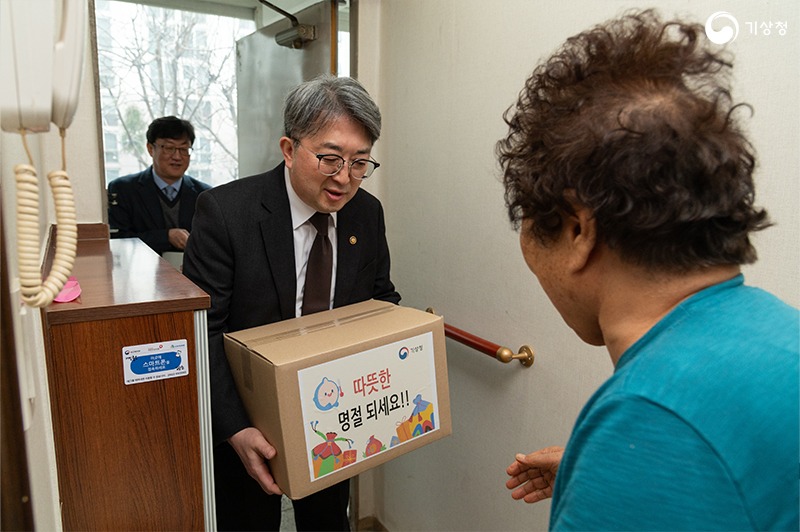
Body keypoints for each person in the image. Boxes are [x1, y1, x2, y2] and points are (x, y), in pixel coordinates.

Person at [498, 9, 799, 531]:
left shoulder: (652, 419)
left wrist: (625, 466)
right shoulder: (781, 334)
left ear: (577, 230)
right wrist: (592, 472)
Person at [183, 74, 401, 531]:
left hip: (332, 417)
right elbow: (203, 329)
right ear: (288, 148)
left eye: (360, 163)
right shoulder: (225, 213)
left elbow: (380, 299)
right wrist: (236, 428)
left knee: (327, 521)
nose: (345, 178)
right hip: (250, 422)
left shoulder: (366, 213)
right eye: (330, 158)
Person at [108, 116, 211, 255]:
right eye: (169, 148)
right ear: (150, 149)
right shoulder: (123, 190)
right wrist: (166, 237)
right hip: (139, 272)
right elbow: (118, 240)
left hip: (190, 275)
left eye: (184, 149)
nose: (177, 156)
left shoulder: (204, 194)